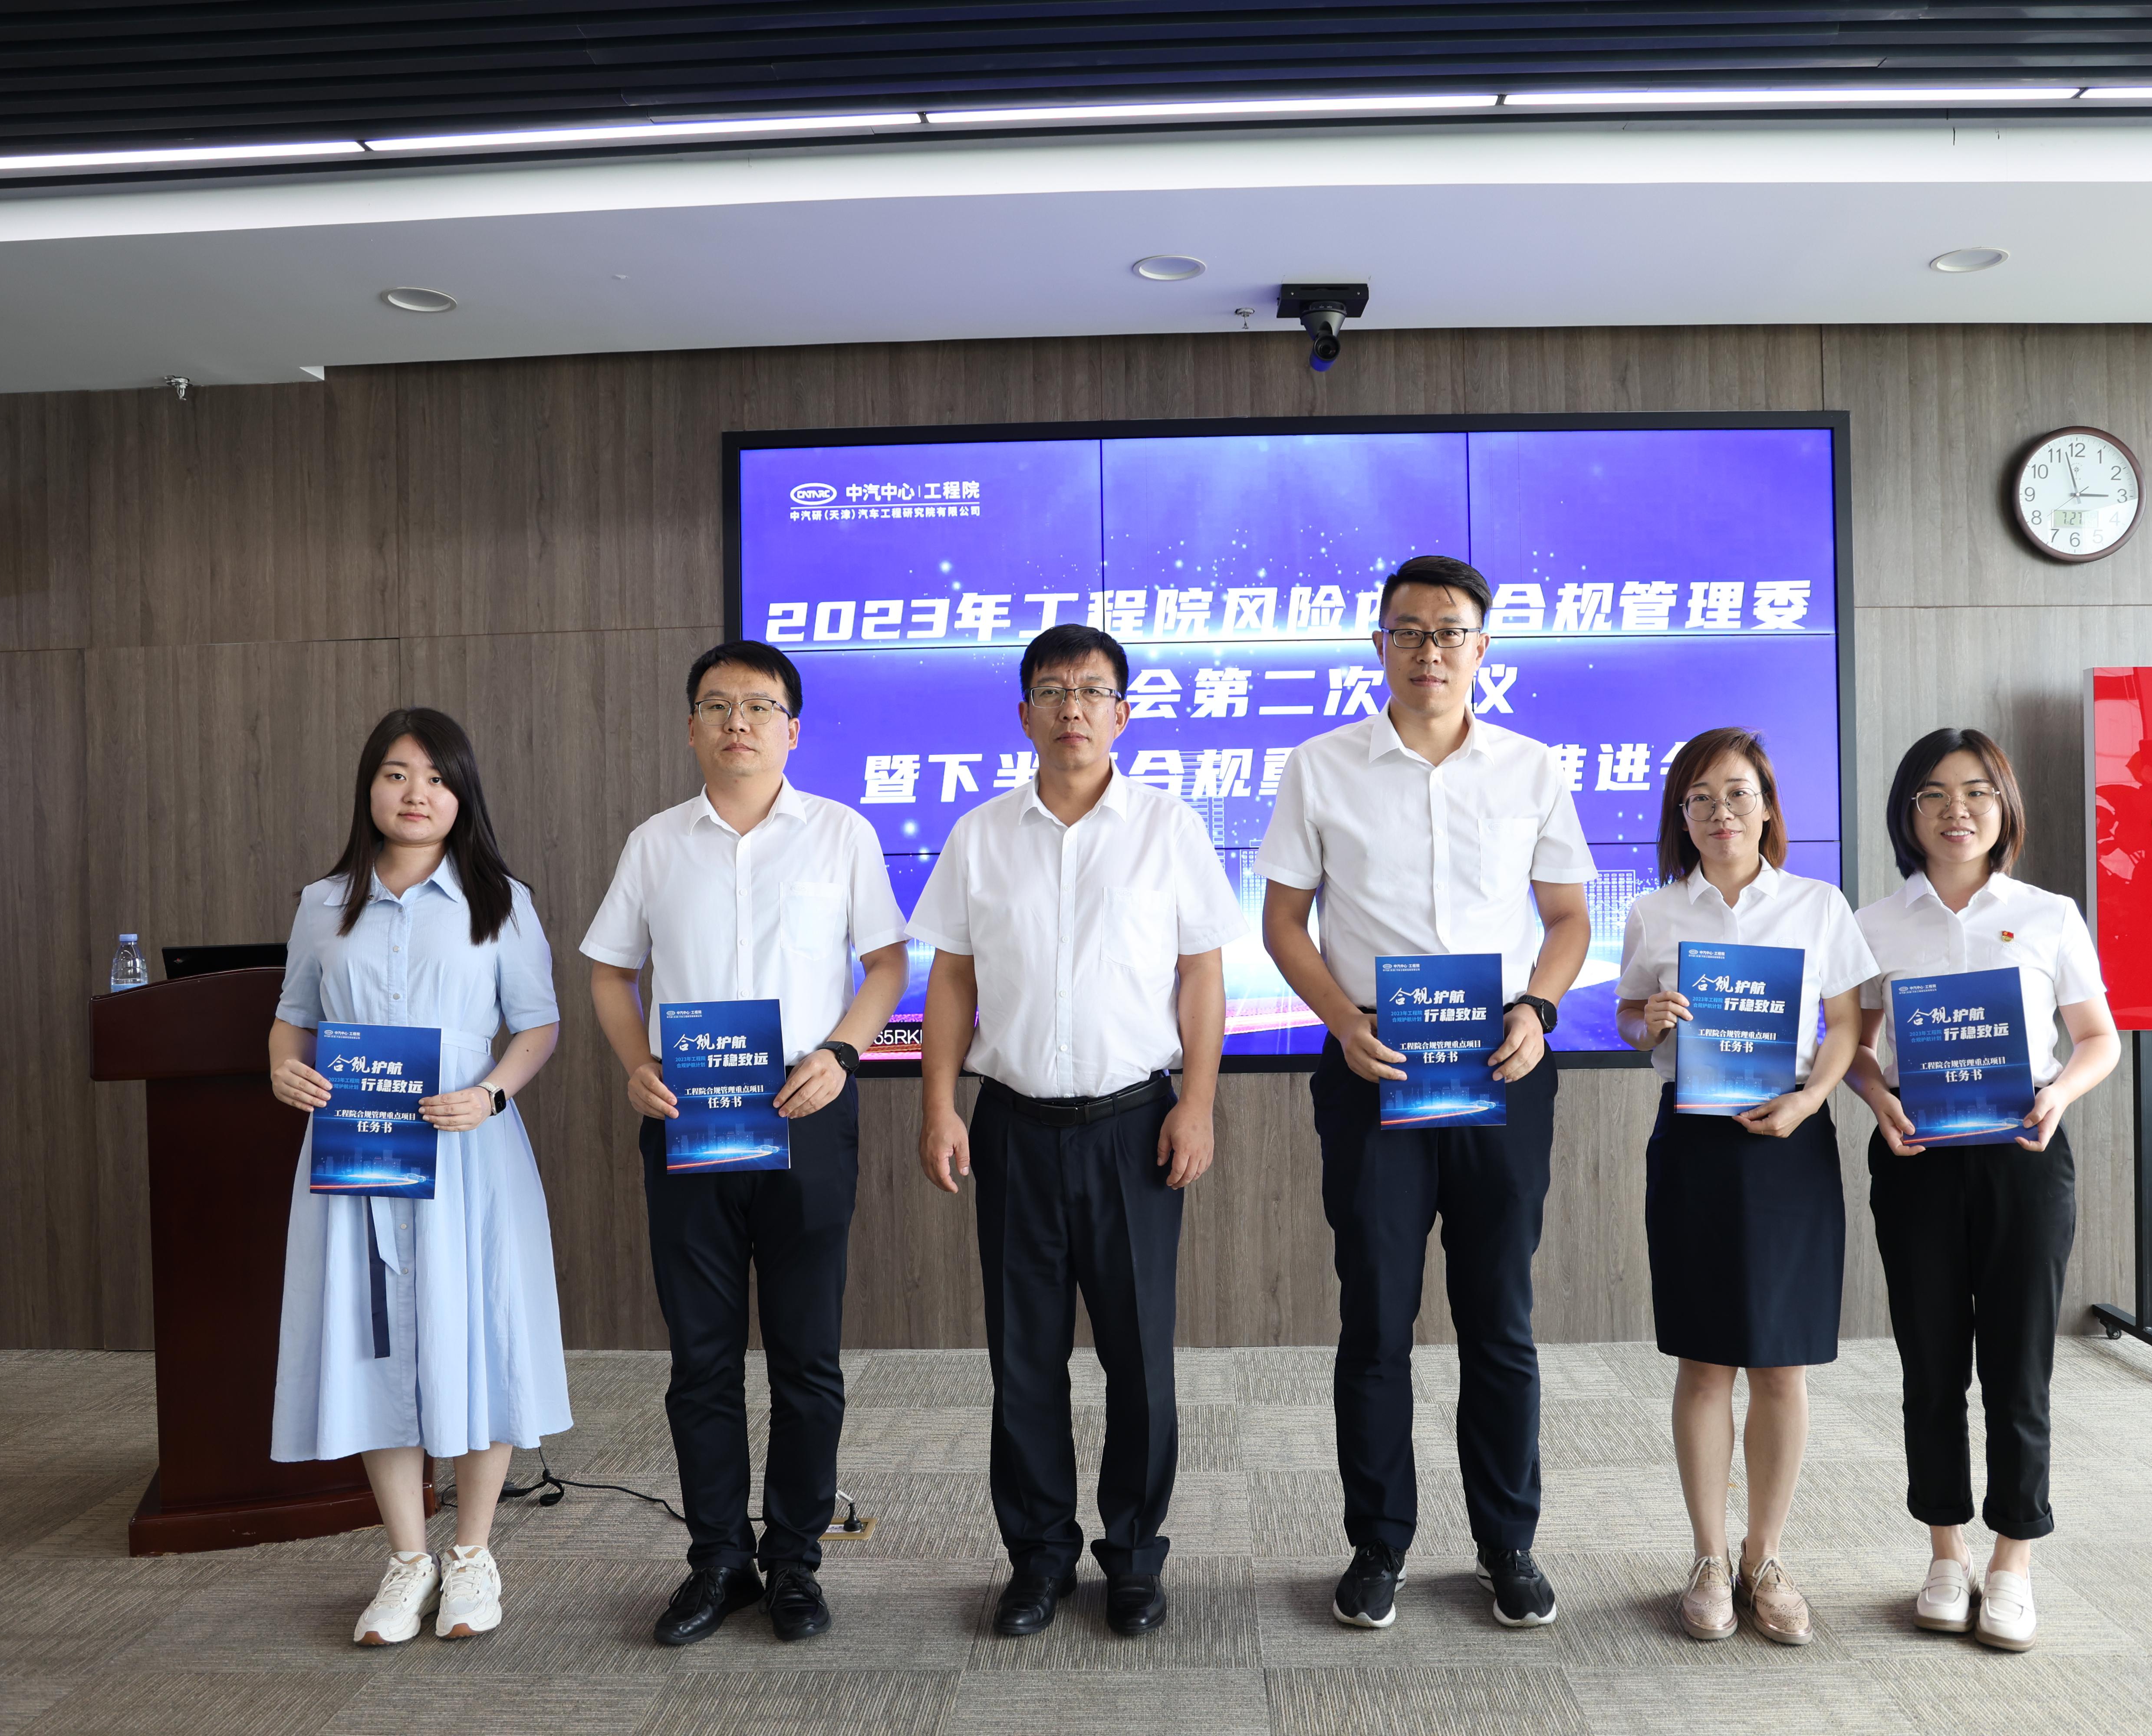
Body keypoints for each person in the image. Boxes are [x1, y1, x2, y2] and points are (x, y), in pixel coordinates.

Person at [1256, 554, 1594, 1632]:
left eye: (1450, 632)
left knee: (1500, 1317)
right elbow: (1282, 921)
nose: (1430, 650)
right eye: (1408, 630)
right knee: (1376, 1317)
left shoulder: (1532, 768)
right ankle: (1379, 1543)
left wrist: (1539, 1007)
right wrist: (1340, 1021)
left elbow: (1569, 918)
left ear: (1482, 649)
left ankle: (1508, 1544)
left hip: (1501, 1064)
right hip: (1373, 1066)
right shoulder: (1320, 766)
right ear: (1379, 645)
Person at [912, 622, 1245, 1639]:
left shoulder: (1169, 828)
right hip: (1014, 1126)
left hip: (1135, 1126)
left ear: (1123, 714)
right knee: (1025, 1357)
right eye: (1053, 691)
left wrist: (1198, 1100)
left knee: (1139, 1357)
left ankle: (1134, 1555)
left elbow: (1202, 974)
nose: (1073, 709)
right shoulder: (980, 835)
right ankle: (1040, 1556)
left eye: (1093, 691)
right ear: (1024, 713)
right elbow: (952, 978)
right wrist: (938, 1104)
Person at [581, 640, 908, 1646]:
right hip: (690, 1121)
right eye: (718, 705)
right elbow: (609, 972)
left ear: (792, 728)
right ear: (691, 727)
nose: (739, 722)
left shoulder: (842, 833)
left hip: (807, 1113)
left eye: (760, 706)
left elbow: (887, 964)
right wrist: (637, 1061)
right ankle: (719, 1557)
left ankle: (795, 1557)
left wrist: (842, 1053)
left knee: (808, 1356)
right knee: (702, 1357)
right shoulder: (654, 843)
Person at [267, 706, 570, 1646]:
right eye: (397, 774)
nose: (416, 793)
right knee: (373, 1345)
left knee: (482, 1335)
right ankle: (407, 1558)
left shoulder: (500, 900)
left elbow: (539, 1024)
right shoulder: (324, 902)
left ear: (462, 793)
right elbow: (293, 1016)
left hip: (469, 1151)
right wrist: (282, 1068)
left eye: (437, 777)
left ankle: (472, 1553)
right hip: (358, 1152)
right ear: (369, 787)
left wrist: (491, 1093)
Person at [1844, 728, 2118, 1653]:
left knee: (2018, 1366)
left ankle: (2012, 1560)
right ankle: (1945, 1552)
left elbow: (2098, 1039)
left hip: (2024, 1158)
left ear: (2004, 807)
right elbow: (1857, 1049)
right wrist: (1878, 1098)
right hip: (1915, 1158)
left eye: (1975, 792)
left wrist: (2060, 1092)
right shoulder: (1875, 923)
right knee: (1930, 1364)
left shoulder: (2048, 914)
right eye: (1932, 793)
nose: (1955, 810)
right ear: (1908, 813)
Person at [1614, 726, 1877, 1648]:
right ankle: (1707, 1557)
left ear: (1767, 808)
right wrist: (1648, 1019)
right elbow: (1627, 1020)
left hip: (1788, 1144)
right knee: (1703, 1360)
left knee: (1780, 1362)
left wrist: (1811, 1098)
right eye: (1700, 798)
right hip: (1693, 1143)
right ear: (1681, 817)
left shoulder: (1816, 904)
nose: (1720, 811)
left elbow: (1846, 1023)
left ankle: (1765, 1558)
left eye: (1737, 794)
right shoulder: (1655, 911)